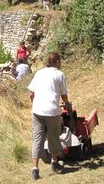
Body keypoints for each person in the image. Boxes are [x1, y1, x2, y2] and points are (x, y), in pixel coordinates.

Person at [27, 52, 71, 180]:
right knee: (53, 137)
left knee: (37, 139)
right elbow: (64, 95)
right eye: (60, 61)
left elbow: (31, 93)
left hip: (37, 111)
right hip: (52, 111)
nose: (61, 63)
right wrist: (66, 104)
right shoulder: (59, 74)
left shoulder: (39, 73)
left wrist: (35, 104)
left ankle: (35, 169)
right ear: (56, 61)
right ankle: (54, 162)